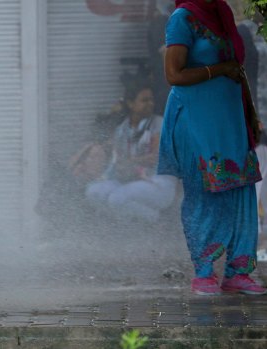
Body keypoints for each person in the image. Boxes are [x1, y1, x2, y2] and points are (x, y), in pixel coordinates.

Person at [158, 0, 265, 296]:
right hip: (194, 119)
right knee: (204, 190)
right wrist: (219, 69)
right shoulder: (183, 18)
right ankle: (203, 272)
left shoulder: (222, 14)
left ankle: (238, 272)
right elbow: (174, 75)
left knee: (241, 187)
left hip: (230, 116)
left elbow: (238, 70)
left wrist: (251, 114)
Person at [85, 78, 177, 223]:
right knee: (94, 192)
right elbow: (117, 161)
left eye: (151, 99)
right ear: (131, 104)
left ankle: (156, 221)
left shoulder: (159, 124)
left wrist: (129, 162)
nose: (150, 104)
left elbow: (155, 157)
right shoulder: (122, 129)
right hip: (129, 180)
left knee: (117, 198)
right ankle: (126, 227)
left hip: (157, 182)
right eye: (144, 100)